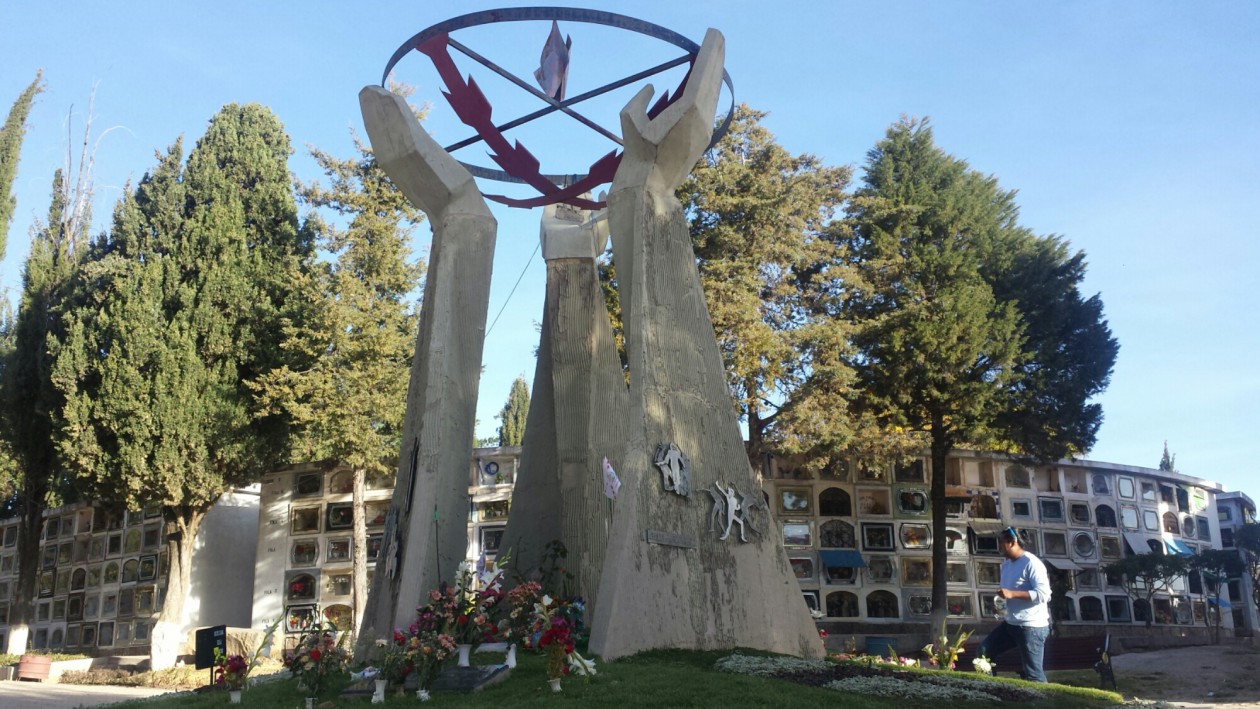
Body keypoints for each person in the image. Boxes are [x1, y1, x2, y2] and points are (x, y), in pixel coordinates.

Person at [977, 526, 1052, 682]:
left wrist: (1012, 594)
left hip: (1031, 627)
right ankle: (988, 691)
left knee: (1033, 674)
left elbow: (1044, 594)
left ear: (1012, 542)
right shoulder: (1006, 564)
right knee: (984, 652)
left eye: (1001, 542)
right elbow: (1007, 593)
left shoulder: (1032, 563)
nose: (999, 545)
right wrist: (1000, 607)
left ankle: (1042, 702)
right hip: (1011, 624)